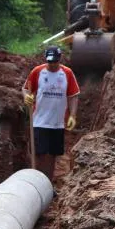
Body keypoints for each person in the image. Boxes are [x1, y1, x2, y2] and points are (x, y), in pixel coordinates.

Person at [22, 46, 80, 179]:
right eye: (49, 61)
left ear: (59, 59)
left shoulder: (67, 73)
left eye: (54, 61)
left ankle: (47, 182)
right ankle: (36, 180)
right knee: (39, 153)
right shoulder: (38, 72)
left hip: (57, 122)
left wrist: (73, 115)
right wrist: (26, 97)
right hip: (39, 120)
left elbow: (73, 95)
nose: (52, 64)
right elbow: (25, 89)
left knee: (52, 155)